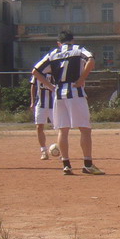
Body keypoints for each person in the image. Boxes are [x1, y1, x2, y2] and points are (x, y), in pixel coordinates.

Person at [32, 30, 104, 175]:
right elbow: (91, 60)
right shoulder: (78, 50)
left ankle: (66, 165)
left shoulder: (53, 53)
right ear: (72, 40)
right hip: (75, 92)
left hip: (58, 94)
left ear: (59, 43)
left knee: (63, 130)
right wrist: (81, 79)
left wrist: (50, 86)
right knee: (85, 129)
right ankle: (88, 164)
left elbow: (35, 71)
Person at [30, 71, 55, 160]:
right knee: (39, 127)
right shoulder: (38, 72)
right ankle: (44, 151)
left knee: (60, 127)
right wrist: (32, 101)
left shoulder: (56, 71)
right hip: (40, 104)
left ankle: (62, 151)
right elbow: (33, 86)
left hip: (54, 104)